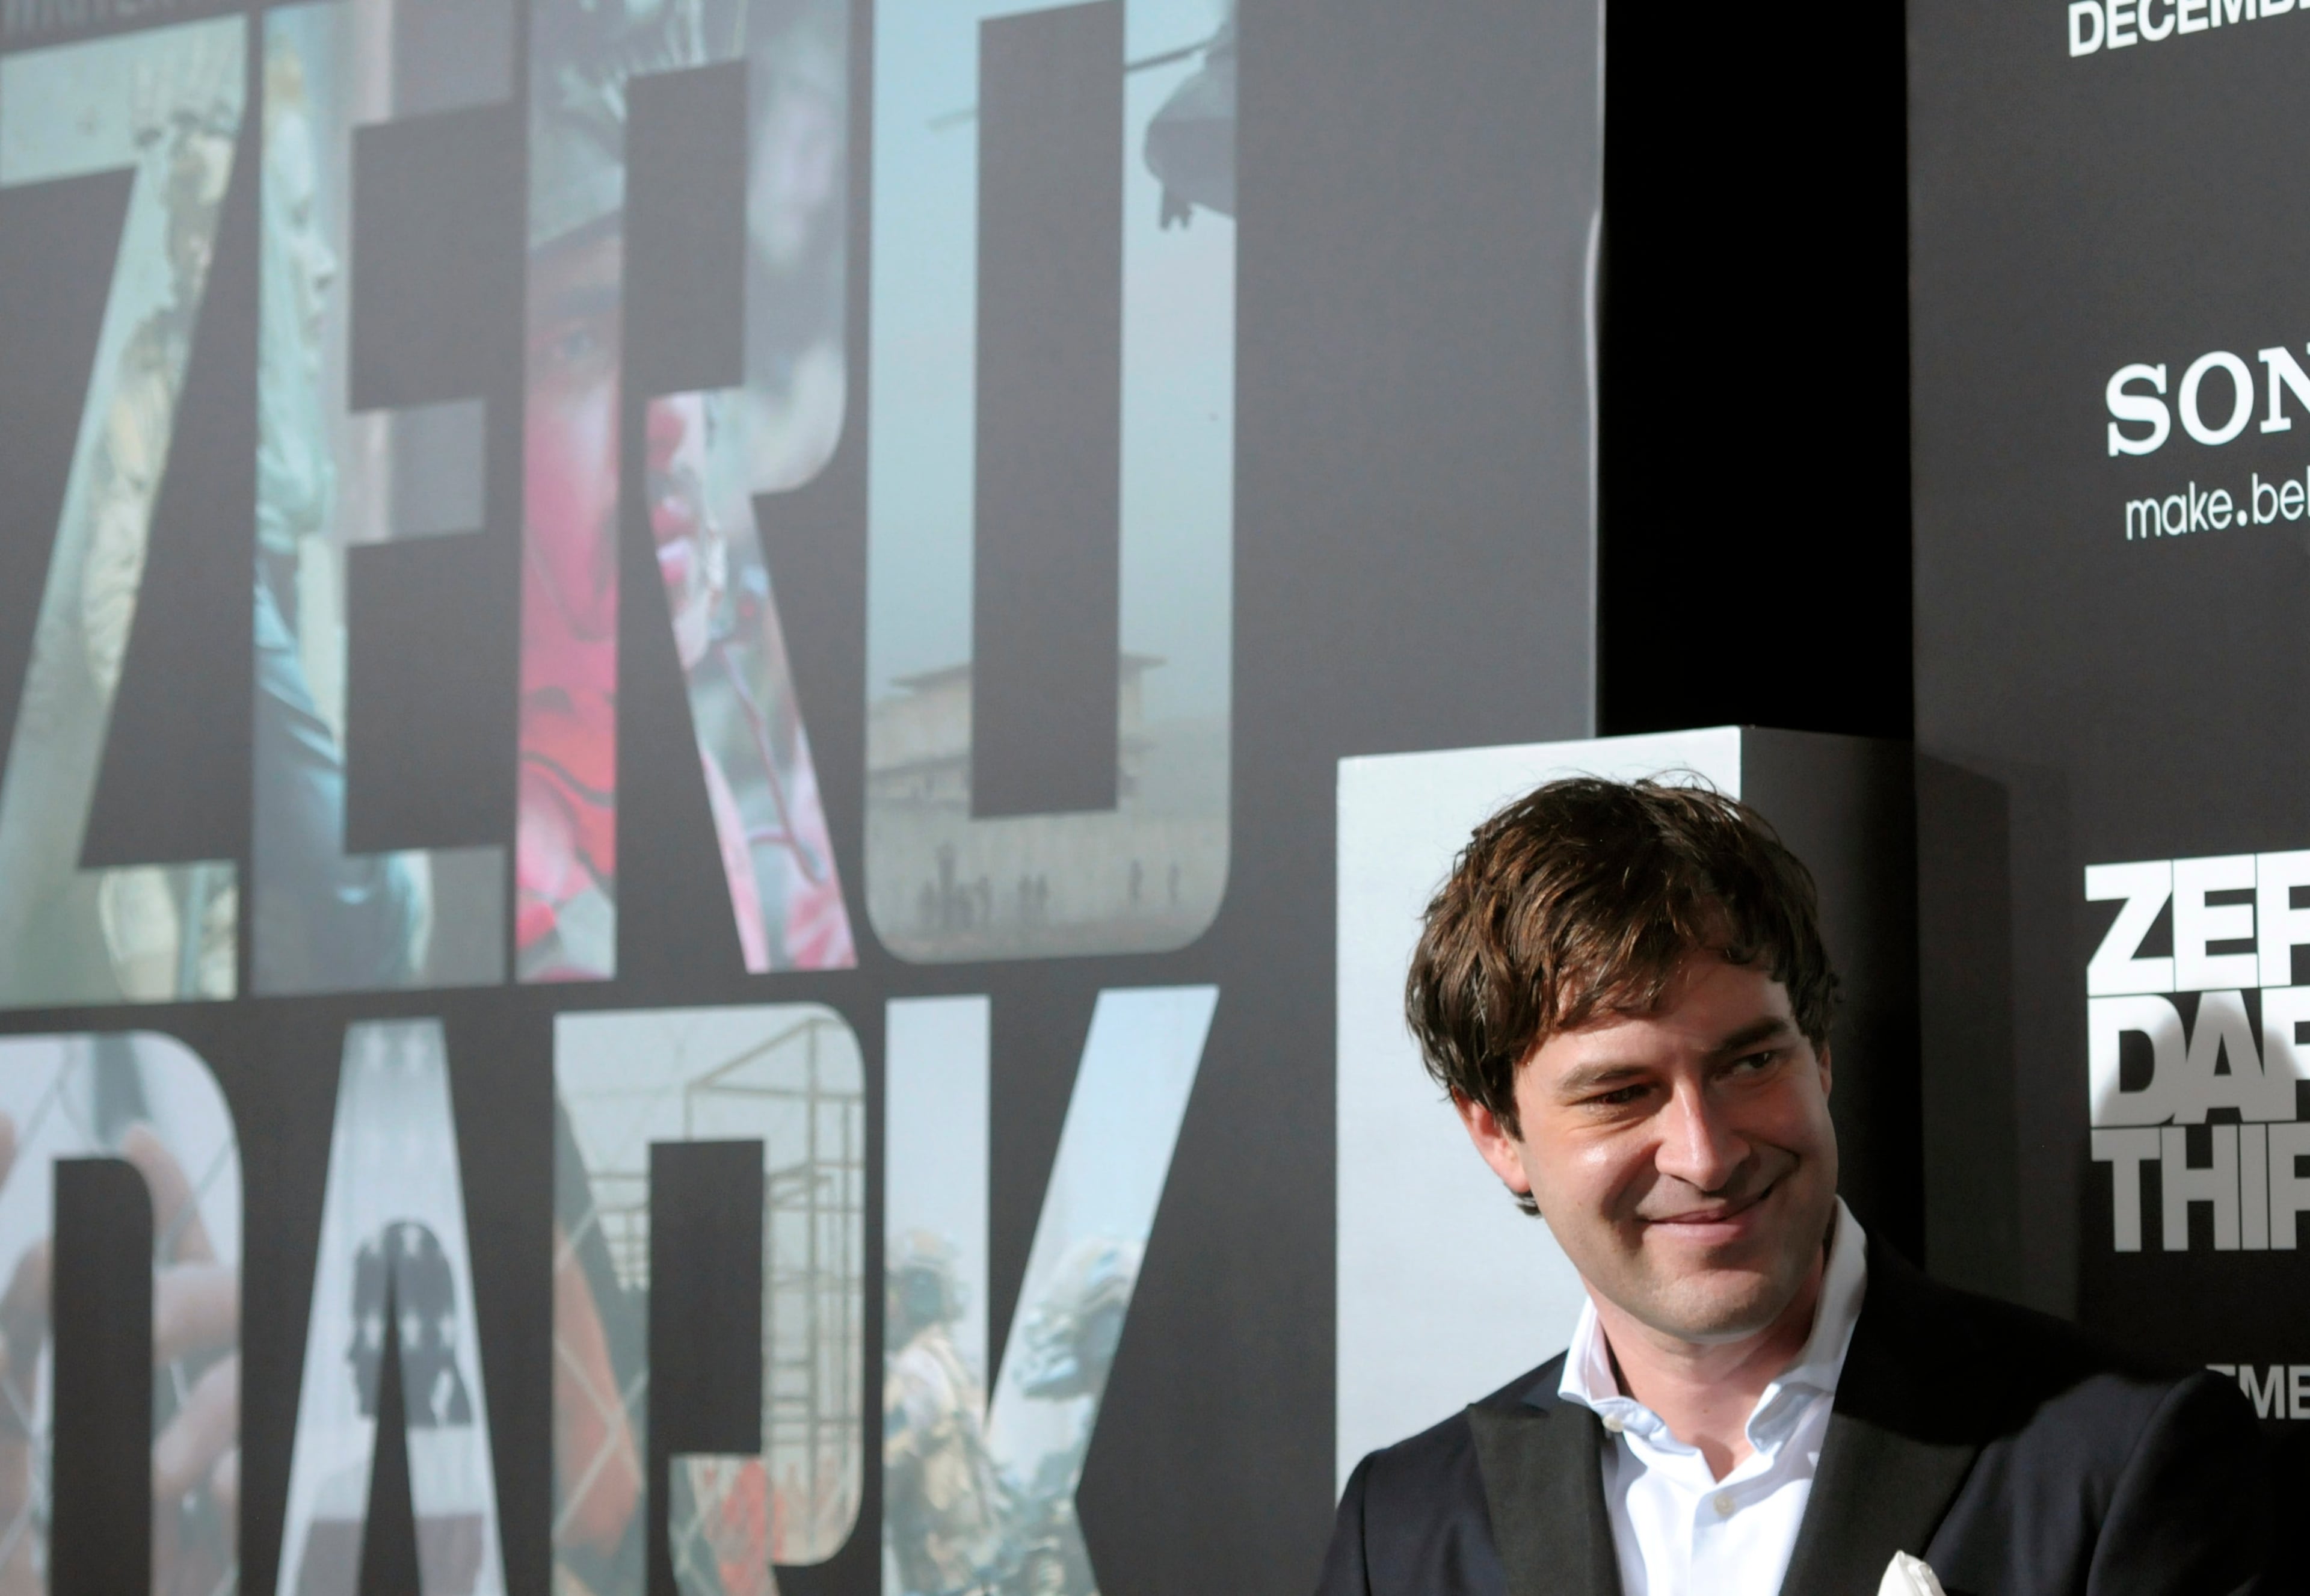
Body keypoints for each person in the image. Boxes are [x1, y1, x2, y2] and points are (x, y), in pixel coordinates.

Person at [1317, 778, 2272, 1596]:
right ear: (1498, 1133)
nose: (1705, 1150)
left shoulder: (2119, 1459)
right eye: (1621, 1093)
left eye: (1748, 1062)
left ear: (1818, 1054)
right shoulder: (1402, 1529)